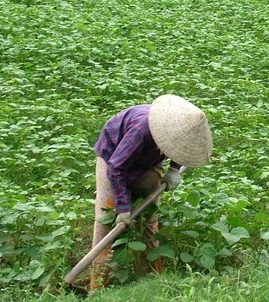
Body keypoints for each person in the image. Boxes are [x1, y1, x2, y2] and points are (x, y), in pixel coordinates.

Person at [90, 94, 212, 289]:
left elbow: (180, 148)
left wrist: (173, 170)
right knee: (106, 225)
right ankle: (97, 288)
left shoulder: (180, 132)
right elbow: (116, 168)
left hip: (147, 163)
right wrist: (122, 207)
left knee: (149, 223)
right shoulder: (141, 130)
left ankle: (152, 282)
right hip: (112, 160)